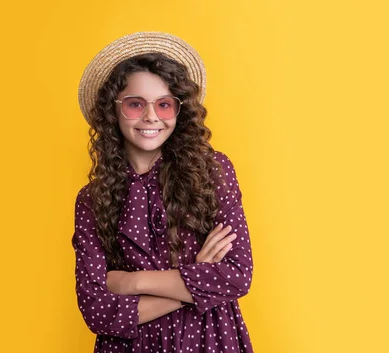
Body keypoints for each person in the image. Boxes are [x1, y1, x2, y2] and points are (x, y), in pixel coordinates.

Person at [72, 32, 254, 353]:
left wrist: (133, 282)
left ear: (178, 110)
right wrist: (196, 275)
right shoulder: (91, 199)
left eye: (164, 104)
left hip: (209, 339)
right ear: (113, 111)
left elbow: (237, 276)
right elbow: (98, 311)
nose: (151, 116)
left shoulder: (212, 172)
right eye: (135, 104)